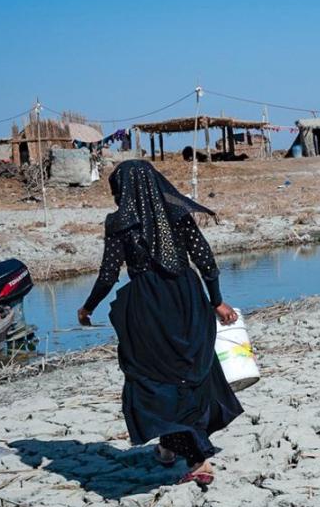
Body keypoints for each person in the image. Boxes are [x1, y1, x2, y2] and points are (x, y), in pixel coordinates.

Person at [77, 160, 242, 488]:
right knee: (190, 373)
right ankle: (169, 447)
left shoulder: (120, 221)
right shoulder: (177, 213)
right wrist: (216, 301)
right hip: (189, 300)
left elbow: (108, 274)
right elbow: (206, 261)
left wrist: (88, 306)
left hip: (149, 307)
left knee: (151, 380)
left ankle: (196, 459)